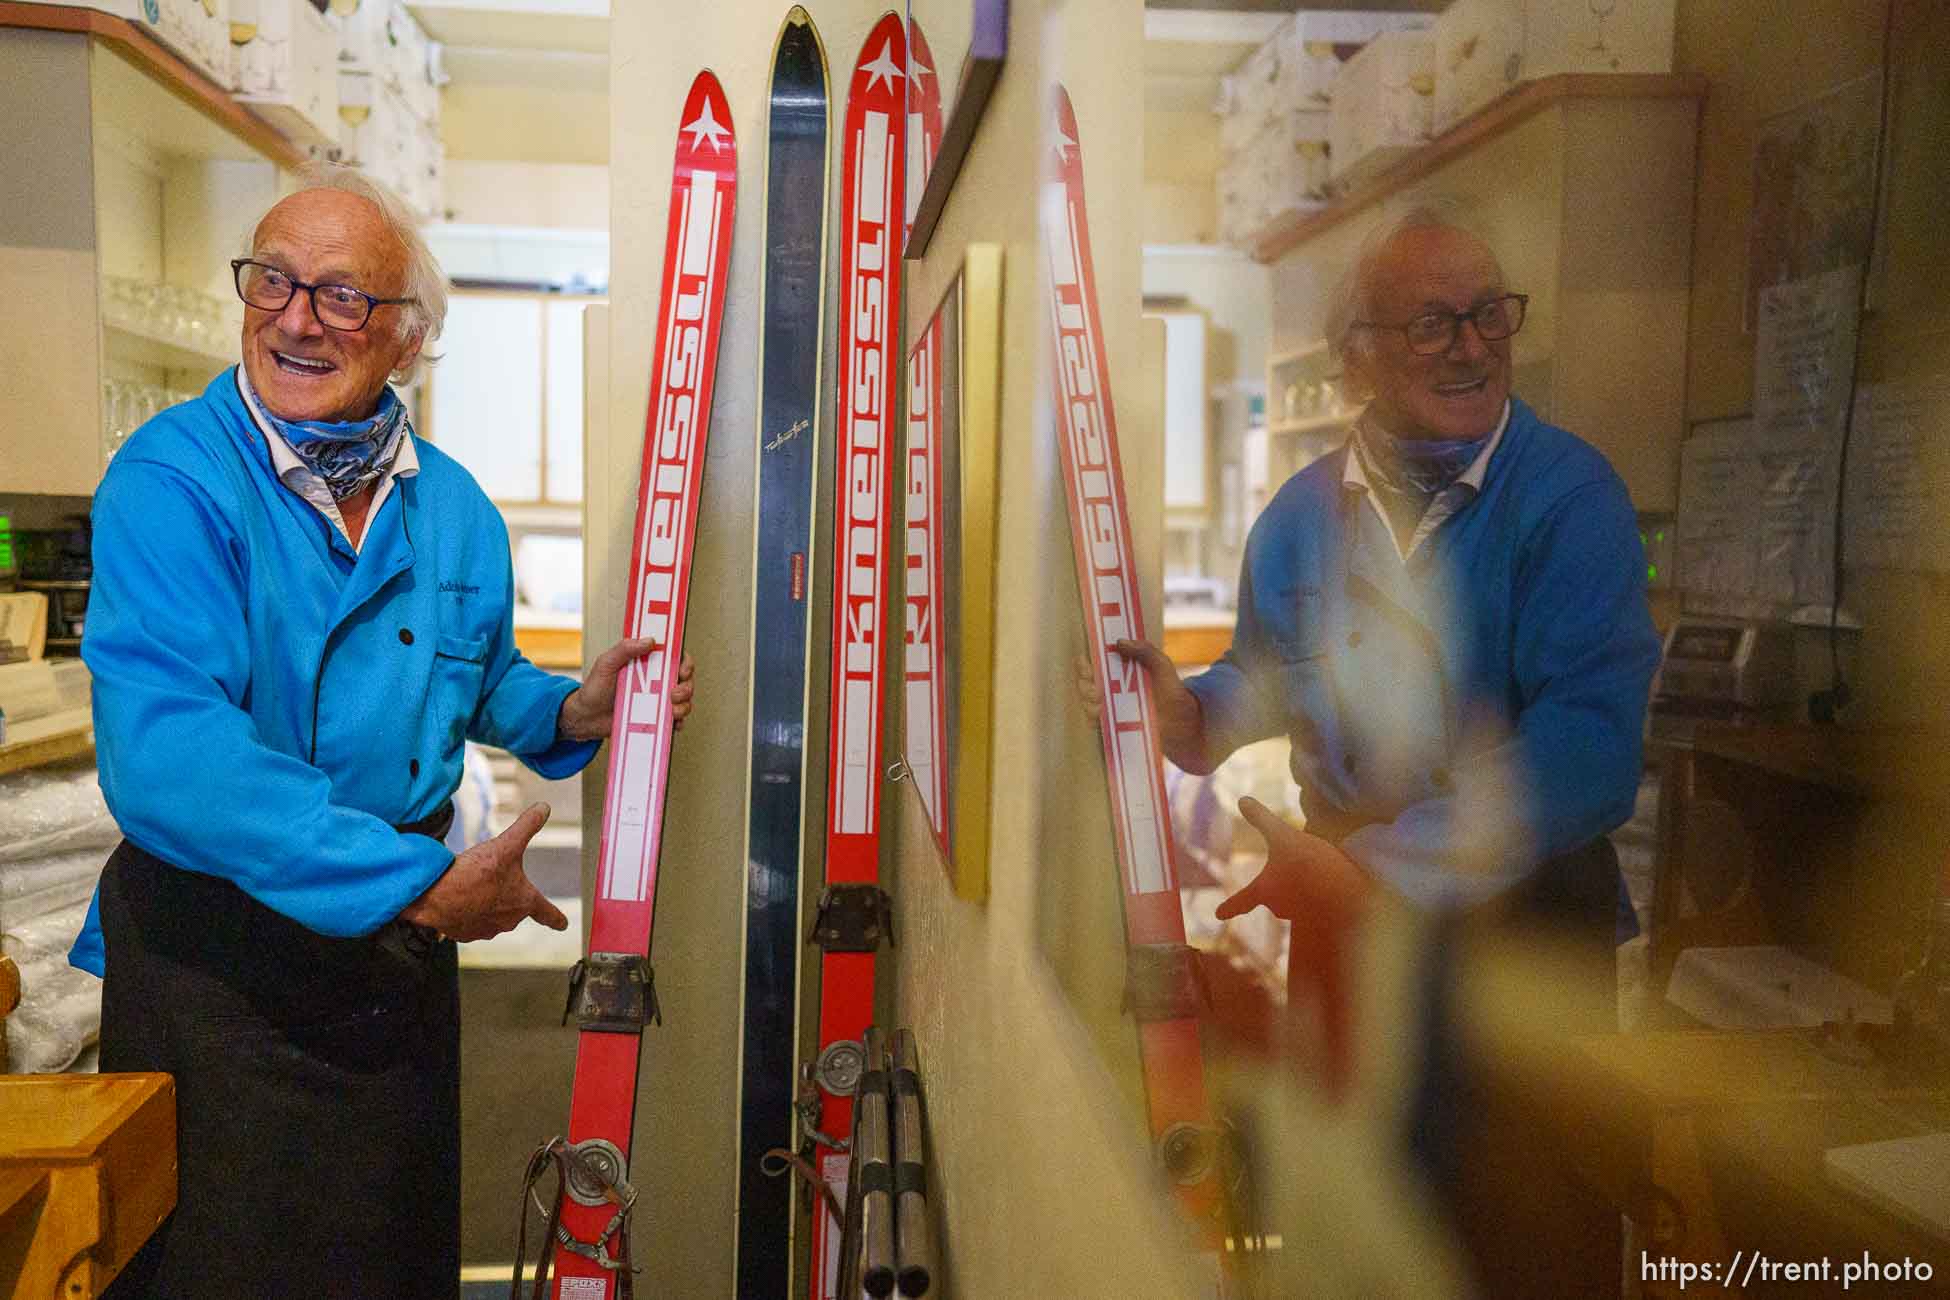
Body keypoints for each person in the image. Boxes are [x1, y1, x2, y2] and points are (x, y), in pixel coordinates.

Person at [67, 165, 695, 1299]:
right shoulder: (170, 480)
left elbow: (475, 674)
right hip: (218, 962)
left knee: (390, 1259)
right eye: (273, 279)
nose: (297, 317)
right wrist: (416, 879)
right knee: (222, 1270)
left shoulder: (449, 504)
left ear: (407, 339)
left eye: (342, 295)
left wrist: (565, 712)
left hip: (387, 970)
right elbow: (173, 760)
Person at [1112, 206, 1660, 1296]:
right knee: (1355, 1237)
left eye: (1489, 314)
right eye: (1432, 323)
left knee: (1526, 1249)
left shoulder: (1571, 498)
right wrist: (1187, 721)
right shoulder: (1301, 518)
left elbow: (1587, 754)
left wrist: (1372, 874)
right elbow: (1260, 680)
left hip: (1524, 944)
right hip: (1348, 953)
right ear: (1354, 354)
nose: (1472, 345)